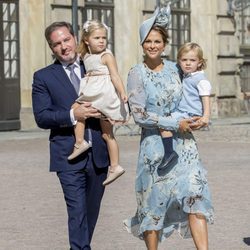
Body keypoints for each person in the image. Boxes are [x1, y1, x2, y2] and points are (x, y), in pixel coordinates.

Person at [123, 6, 214, 250]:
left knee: (195, 196)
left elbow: (196, 91)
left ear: (164, 44)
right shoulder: (136, 73)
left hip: (185, 144)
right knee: (154, 205)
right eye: (148, 41)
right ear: (142, 44)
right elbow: (140, 115)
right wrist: (174, 122)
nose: (152, 46)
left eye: (157, 41)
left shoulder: (177, 68)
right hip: (155, 148)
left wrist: (202, 117)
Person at [32, 21, 110, 250]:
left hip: (99, 154)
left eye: (66, 40)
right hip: (68, 156)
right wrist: (72, 114)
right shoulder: (43, 77)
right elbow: (42, 117)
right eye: (57, 44)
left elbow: (112, 95)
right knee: (77, 212)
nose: (64, 47)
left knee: (90, 213)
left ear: (75, 38)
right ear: (51, 48)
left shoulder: (95, 65)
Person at [67, 19, 128, 186]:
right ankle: (114, 166)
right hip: (95, 92)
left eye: (104, 38)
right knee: (105, 133)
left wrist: (122, 92)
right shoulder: (85, 55)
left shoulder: (106, 55)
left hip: (102, 94)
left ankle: (80, 143)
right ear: (86, 40)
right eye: (97, 38)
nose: (101, 41)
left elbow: (115, 75)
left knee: (77, 108)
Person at [158, 42, 212, 173]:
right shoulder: (186, 76)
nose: (188, 63)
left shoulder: (200, 79)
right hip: (182, 111)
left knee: (163, 123)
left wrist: (206, 117)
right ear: (179, 61)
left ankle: (169, 153)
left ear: (199, 62)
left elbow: (206, 98)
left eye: (192, 60)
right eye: (184, 60)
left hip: (190, 113)